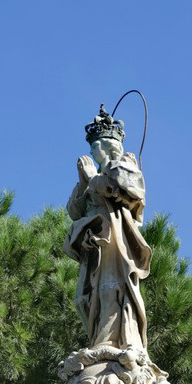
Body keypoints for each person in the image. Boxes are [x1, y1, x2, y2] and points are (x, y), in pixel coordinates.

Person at [65, 104, 152, 352]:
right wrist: (84, 182)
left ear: (104, 147)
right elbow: (74, 211)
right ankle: (98, 338)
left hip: (115, 236)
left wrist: (93, 178)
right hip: (93, 241)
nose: (91, 152)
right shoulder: (93, 175)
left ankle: (116, 338)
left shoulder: (123, 165)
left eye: (94, 147)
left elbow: (130, 190)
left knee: (113, 286)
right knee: (85, 295)